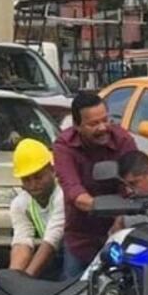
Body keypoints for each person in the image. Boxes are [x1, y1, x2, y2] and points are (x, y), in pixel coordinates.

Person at [52, 89, 137, 280]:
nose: (103, 128)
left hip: (121, 233)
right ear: (77, 126)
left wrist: (120, 219)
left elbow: (134, 185)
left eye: (105, 120)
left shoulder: (123, 140)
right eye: (93, 124)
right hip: (81, 238)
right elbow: (74, 192)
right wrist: (101, 207)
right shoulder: (63, 146)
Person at [8, 138, 65, 279]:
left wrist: (27, 277)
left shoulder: (62, 194)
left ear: (52, 170)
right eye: (26, 179)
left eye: (38, 177)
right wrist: (12, 280)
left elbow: (53, 239)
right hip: (53, 253)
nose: (33, 184)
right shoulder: (19, 203)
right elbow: (22, 242)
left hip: (75, 251)